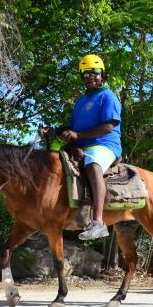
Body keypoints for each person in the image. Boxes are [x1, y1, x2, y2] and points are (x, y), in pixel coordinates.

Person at [40, 54, 122, 241]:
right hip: (81, 144)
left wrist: (78, 136)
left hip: (105, 145)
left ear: (102, 74)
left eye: (94, 72)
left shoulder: (108, 96)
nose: (90, 76)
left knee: (92, 165)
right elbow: (72, 128)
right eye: (85, 73)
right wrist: (53, 131)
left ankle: (98, 223)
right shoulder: (81, 100)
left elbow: (108, 126)